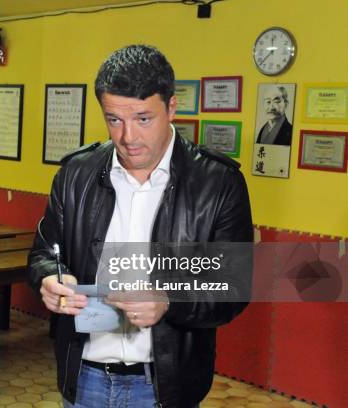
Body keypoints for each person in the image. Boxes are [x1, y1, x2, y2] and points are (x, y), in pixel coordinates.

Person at [28, 45, 253, 408]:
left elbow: (233, 288)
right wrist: (49, 279)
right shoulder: (75, 174)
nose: (128, 137)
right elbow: (43, 252)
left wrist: (169, 301)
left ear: (172, 108)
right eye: (114, 119)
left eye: (143, 118)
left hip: (165, 386)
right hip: (83, 377)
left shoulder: (218, 183)